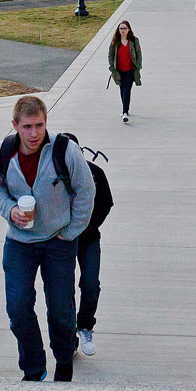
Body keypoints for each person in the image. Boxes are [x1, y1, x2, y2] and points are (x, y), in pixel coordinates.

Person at [0, 95, 96, 382]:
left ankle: (63, 360)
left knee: (60, 310)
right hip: (19, 244)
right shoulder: (3, 152)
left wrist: (70, 231)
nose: (34, 134)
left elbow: (86, 191)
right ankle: (34, 369)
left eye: (40, 125)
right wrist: (10, 210)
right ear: (15, 125)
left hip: (58, 243)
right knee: (18, 309)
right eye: (27, 127)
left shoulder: (64, 150)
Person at [73, 148, 114, 358]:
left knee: (90, 284)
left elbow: (106, 202)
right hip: (61, 242)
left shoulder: (95, 173)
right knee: (61, 289)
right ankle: (69, 335)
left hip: (89, 240)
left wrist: (89, 226)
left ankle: (85, 327)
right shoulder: (50, 175)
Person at [108, 21, 142, 123]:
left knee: (127, 90)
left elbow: (139, 54)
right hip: (118, 71)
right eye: (120, 28)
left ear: (129, 29)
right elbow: (110, 55)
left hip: (130, 70)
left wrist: (138, 66)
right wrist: (112, 68)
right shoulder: (115, 41)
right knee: (122, 90)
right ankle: (125, 109)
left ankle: (125, 112)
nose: (122, 30)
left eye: (124, 28)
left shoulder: (134, 41)